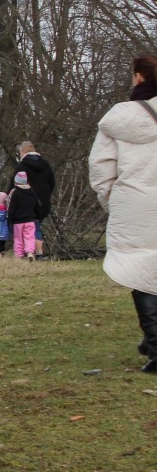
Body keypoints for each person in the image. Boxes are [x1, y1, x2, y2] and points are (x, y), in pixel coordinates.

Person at [90, 55, 157, 372]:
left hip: (134, 201)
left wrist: (113, 201)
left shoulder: (120, 119)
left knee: (141, 269)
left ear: (141, 78)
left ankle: (155, 345)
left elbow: (101, 170)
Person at [12, 141, 56, 258]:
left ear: (22, 152)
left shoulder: (22, 167)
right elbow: (52, 183)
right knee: (36, 226)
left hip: (25, 204)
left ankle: (33, 253)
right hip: (43, 202)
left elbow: (14, 185)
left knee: (29, 229)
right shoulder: (46, 165)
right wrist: (45, 197)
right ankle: (38, 252)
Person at [9, 172, 42, 260]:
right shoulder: (32, 192)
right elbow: (37, 206)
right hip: (30, 220)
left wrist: (10, 218)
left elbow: (12, 207)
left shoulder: (15, 193)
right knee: (30, 237)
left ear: (16, 182)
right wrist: (38, 216)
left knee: (18, 239)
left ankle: (18, 256)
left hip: (18, 221)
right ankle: (30, 253)